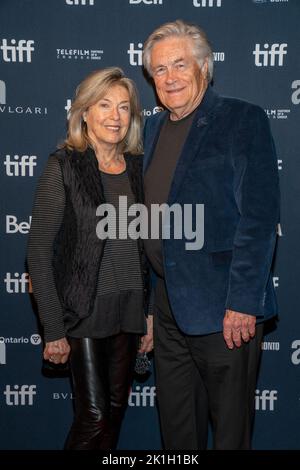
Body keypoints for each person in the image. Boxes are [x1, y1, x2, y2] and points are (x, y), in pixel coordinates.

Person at [142, 20, 280, 450]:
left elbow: (257, 220)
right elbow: (151, 223)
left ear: (205, 66)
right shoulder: (151, 129)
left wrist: (242, 303)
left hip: (225, 312)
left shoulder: (242, 119)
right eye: (160, 70)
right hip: (167, 311)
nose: (170, 78)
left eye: (180, 64)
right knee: (177, 436)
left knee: (229, 436)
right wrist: (149, 307)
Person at [27, 67, 153, 450]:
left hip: (130, 309)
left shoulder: (138, 168)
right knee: (94, 415)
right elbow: (38, 252)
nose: (115, 117)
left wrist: (148, 314)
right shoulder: (63, 165)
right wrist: (53, 329)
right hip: (83, 311)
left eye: (124, 108)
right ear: (84, 112)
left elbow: (144, 247)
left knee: (114, 412)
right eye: (104, 105)